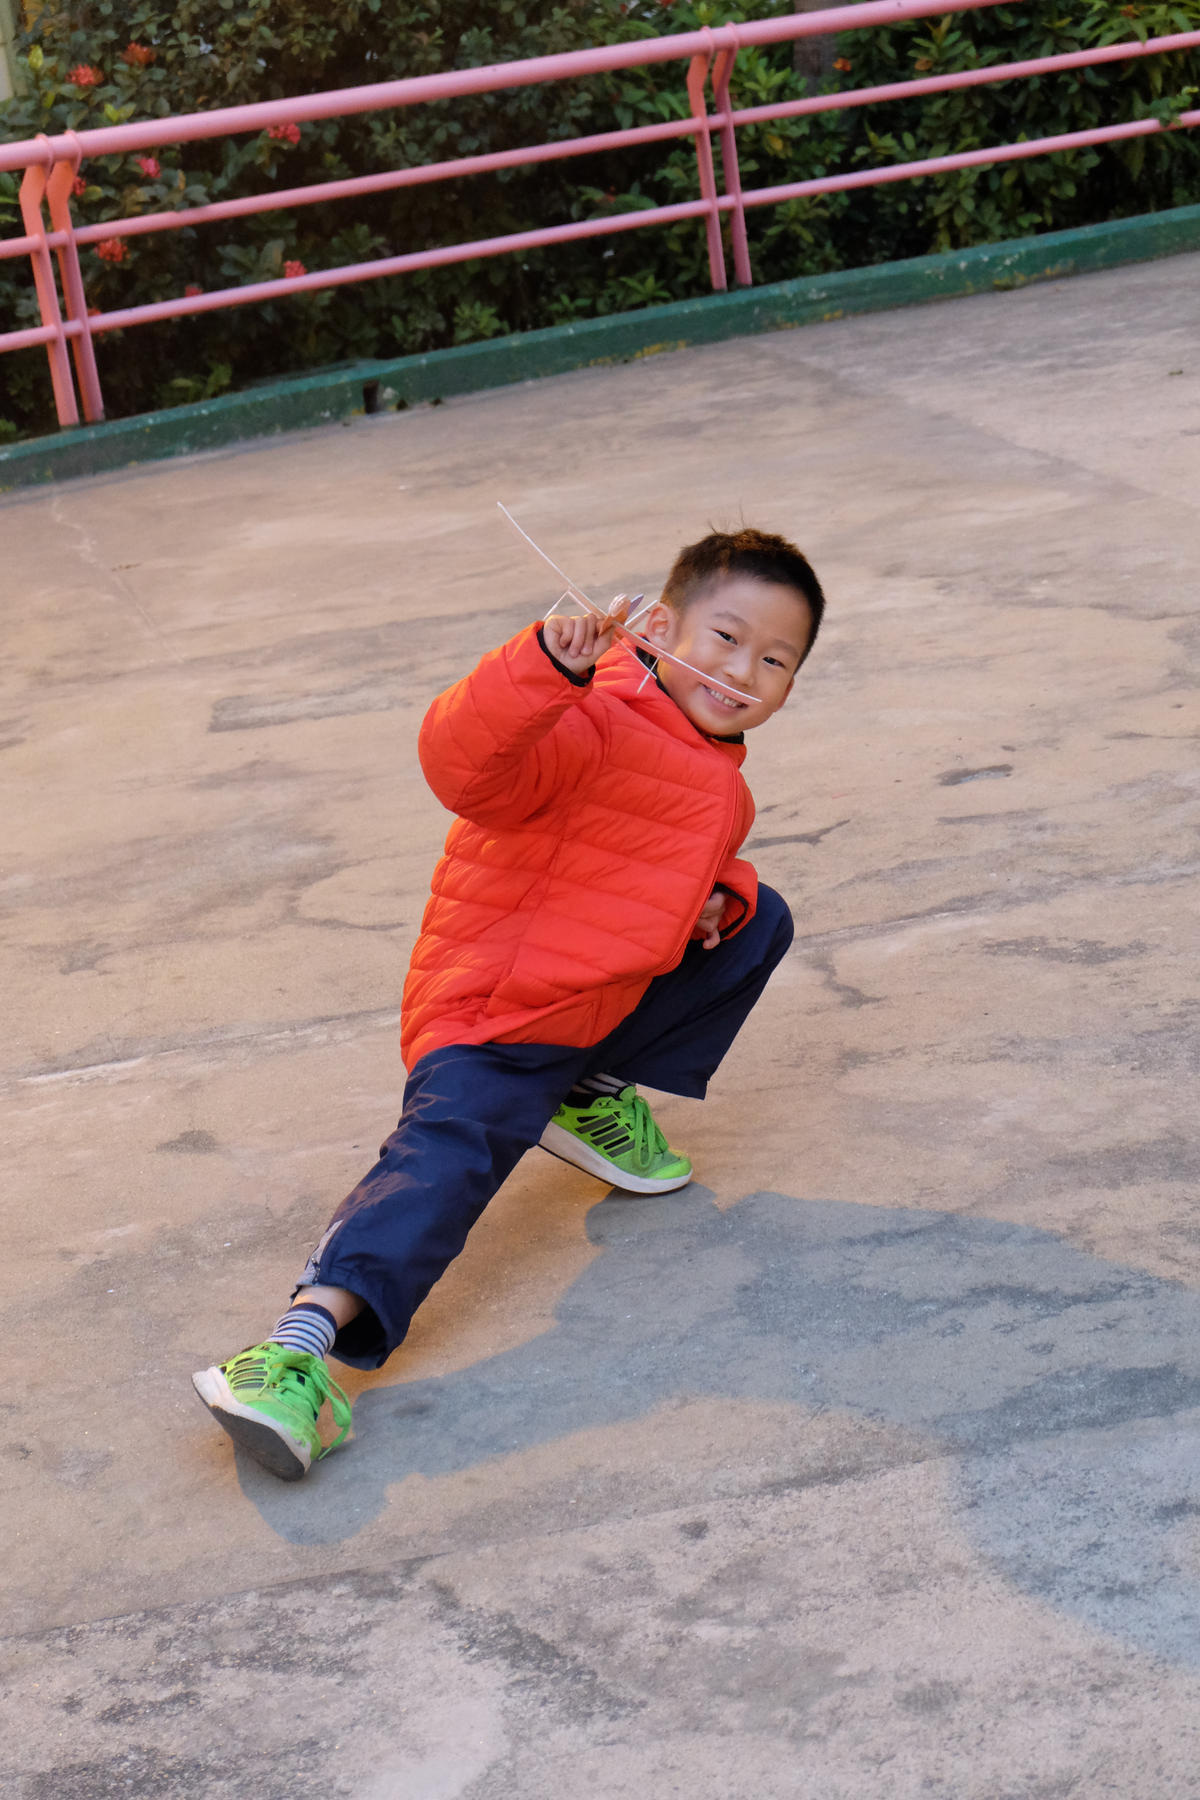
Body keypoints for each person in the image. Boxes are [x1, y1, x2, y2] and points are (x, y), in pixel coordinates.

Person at [192, 527, 826, 1480]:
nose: (743, 671)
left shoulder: (722, 783)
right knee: (442, 1166)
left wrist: (713, 895)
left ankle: (586, 1097)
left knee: (757, 916)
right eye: (727, 638)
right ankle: (293, 1354)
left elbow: (665, 854)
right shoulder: (591, 712)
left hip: (589, 1005)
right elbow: (465, 766)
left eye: (775, 660)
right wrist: (542, 670)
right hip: (497, 1011)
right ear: (658, 628)